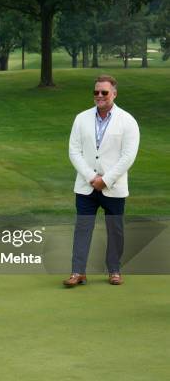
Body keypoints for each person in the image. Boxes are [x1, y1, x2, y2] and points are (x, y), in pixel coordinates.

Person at [64, 75, 140, 287]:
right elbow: (74, 151)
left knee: (115, 230)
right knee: (82, 228)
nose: (99, 96)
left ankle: (114, 270)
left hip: (114, 187)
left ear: (114, 94)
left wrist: (105, 180)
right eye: (96, 92)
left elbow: (128, 156)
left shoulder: (128, 121)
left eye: (104, 92)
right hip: (85, 186)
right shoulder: (81, 118)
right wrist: (91, 177)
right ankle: (78, 272)